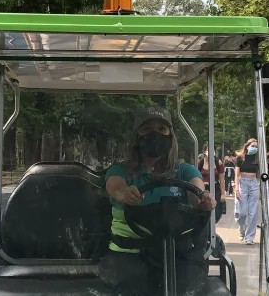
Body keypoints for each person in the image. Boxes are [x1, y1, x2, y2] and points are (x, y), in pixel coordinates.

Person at [99, 105, 216, 295]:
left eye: (162, 129)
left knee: (189, 288)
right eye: (147, 129)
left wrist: (203, 201)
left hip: (178, 255)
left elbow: (197, 192)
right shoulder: (121, 171)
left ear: (170, 136)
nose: (155, 135)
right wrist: (125, 194)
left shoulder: (185, 171)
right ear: (137, 136)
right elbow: (115, 187)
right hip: (128, 254)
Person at [234, 138, 260, 244]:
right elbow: (236, 175)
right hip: (242, 183)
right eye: (253, 146)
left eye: (256, 147)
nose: (254, 148)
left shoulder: (258, 159)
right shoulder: (240, 158)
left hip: (254, 183)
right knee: (242, 212)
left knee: (253, 213)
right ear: (247, 146)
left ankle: (250, 238)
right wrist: (236, 189)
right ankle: (242, 229)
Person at [197, 142, 226, 222]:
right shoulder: (200, 163)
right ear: (204, 152)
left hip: (215, 189)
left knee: (217, 212)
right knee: (204, 210)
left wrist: (223, 194)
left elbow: (222, 179)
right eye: (208, 150)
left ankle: (212, 225)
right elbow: (196, 176)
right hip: (203, 189)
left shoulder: (218, 163)